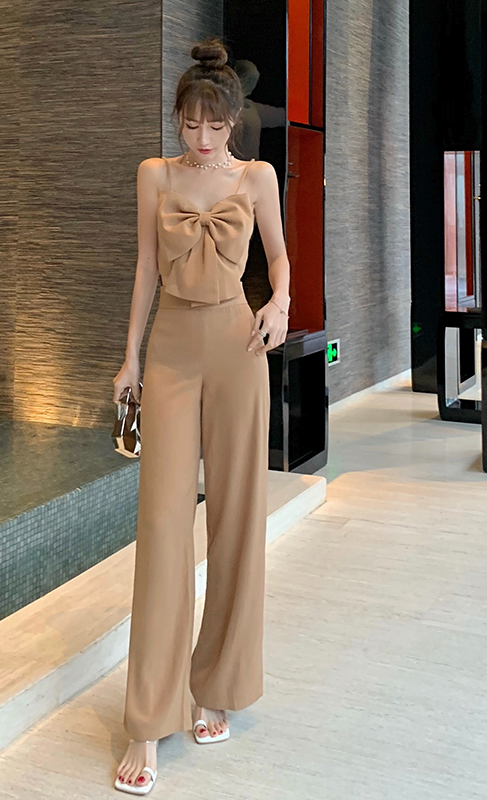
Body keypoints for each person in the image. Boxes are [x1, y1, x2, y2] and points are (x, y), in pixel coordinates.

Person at [111, 36, 290, 795]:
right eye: (190, 124)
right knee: (161, 526)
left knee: (237, 516)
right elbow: (145, 271)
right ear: (178, 119)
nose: (202, 138)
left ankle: (216, 686)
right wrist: (129, 359)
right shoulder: (154, 175)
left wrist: (281, 302)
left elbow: (278, 257)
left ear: (234, 121)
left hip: (238, 345)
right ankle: (148, 720)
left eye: (215, 126)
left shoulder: (258, 176)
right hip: (173, 351)